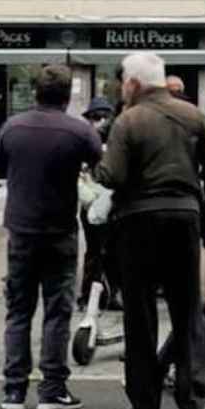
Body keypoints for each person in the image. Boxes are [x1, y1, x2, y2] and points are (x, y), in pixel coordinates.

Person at [96, 52, 205, 409]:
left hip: (137, 223)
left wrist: (98, 165)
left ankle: (145, 404)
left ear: (134, 84)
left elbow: (114, 175)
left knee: (140, 314)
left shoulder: (128, 120)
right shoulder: (193, 116)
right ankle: (192, 403)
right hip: (184, 217)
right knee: (187, 309)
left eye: (124, 82)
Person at [0, 65, 102, 409]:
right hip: (60, 231)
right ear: (69, 96)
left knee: (18, 310)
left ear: (34, 91)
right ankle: (52, 388)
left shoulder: (12, 127)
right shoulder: (79, 131)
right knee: (57, 311)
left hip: (21, 230)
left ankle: (13, 390)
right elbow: (103, 168)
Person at [77, 97, 121, 311]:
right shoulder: (85, 141)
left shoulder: (116, 141)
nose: (100, 121)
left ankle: (109, 294)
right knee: (96, 251)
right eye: (96, 117)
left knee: (110, 250)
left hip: (110, 203)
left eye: (104, 117)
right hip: (91, 204)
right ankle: (89, 296)